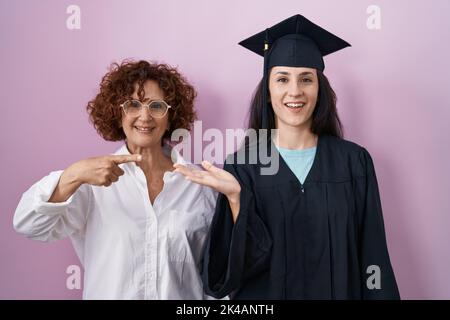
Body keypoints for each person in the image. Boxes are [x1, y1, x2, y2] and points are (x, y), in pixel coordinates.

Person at [174, 15, 400, 299]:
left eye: (306, 79)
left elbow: (373, 255)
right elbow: (226, 275)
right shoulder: (243, 167)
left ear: (320, 90)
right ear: (268, 91)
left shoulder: (353, 162)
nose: (295, 91)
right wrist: (236, 199)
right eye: (282, 79)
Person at [13, 60, 218, 300]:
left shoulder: (200, 186)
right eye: (133, 105)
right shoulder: (90, 182)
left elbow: (213, 277)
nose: (145, 116)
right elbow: (29, 224)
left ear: (170, 116)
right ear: (117, 112)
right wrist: (73, 174)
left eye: (156, 106)